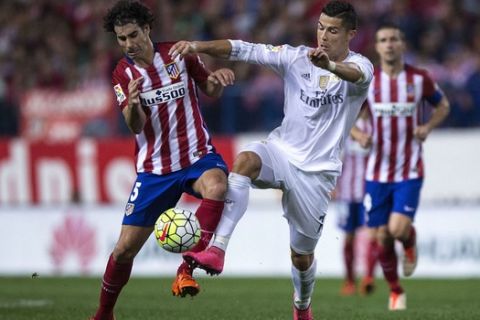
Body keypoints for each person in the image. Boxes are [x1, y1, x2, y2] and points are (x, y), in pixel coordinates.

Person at [169, 1, 373, 319]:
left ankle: (302, 306)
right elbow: (243, 49)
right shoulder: (295, 58)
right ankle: (218, 250)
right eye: (321, 27)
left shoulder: (361, 66)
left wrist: (330, 67)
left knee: (301, 256)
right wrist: (196, 45)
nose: (324, 35)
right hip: (281, 151)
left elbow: (356, 75)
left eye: (333, 30)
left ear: (351, 34)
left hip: (317, 174)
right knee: (245, 161)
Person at [90, 1, 235, 319]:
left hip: (196, 156)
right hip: (155, 170)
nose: (128, 44)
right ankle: (104, 313)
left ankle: (186, 270)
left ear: (147, 29)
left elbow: (208, 87)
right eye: (121, 38)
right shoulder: (121, 73)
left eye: (132, 35)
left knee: (218, 185)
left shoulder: (179, 54)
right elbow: (136, 125)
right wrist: (131, 103)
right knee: (125, 249)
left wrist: (219, 79)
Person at [350, 23, 450, 310]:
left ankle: (409, 239)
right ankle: (396, 290)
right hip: (376, 172)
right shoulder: (368, 82)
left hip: (409, 170)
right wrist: (359, 135)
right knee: (380, 235)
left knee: (395, 229)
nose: (389, 44)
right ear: (377, 47)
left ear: (403, 45)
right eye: (383, 40)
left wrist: (428, 126)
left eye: (394, 39)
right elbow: (348, 120)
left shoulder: (420, 79)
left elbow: (443, 106)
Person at [334, 110, 378, 296]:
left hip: (370, 191)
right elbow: (336, 157)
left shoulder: (376, 127)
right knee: (349, 237)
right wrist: (333, 184)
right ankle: (350, 280)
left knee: (372, 234)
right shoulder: (345, 127)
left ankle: (368, 278)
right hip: (347, 192)